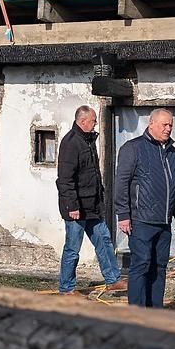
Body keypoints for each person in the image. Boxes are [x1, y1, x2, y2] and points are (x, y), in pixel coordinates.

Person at [114, 108, 175, 308]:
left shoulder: (172, 151)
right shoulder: (133, 148)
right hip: (141, 219)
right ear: (151, 124)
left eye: (171, 125)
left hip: (163, 221)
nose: (168, 128)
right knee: (141, 264)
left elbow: (174, 185)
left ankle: (155, 310)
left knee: (159, 266)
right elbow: (122, 182)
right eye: (164, 124)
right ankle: (137, 311)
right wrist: (124, 215)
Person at [56, 105, 126, 294]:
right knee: (72, 248)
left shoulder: (88, 140)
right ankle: (67, 289)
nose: (95, 124)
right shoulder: (71, 143)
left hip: (92, 205)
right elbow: (65, 179)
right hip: (76, 207)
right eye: (93, 120)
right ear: (82, 121)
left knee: (104, 241)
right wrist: (72, 205)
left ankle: (113, 279)